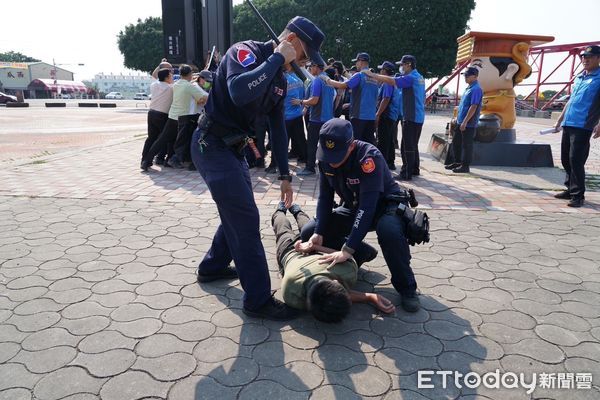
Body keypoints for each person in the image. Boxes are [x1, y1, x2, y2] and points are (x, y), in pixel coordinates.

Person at [191, 16, 326, 321]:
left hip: (233, 149)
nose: (304, 63)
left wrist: (285, 176)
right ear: (291, 41)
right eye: (304, 55)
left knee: (238, 210)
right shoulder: (245, 52)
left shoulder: (278, 79)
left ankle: (211, 268)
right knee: (245, 216)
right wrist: (278, 56)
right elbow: (239, 91)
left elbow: (278, 130)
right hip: (209, 144)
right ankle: (258, 300)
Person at [300, 119, 421, 312]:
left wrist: (347, 248)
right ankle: (361, 252)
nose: (332, 161)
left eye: (337, 155)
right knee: (308, 232)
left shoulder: (368, 158)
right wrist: (319, 232)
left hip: (383, 207)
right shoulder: (325, 160)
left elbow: (368, 208)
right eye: (328, 154)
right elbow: (324, 198)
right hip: (354, 207)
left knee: (389, 231)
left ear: (352, 144)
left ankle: (407, 287)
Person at [271, 203, 395, 322]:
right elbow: (343, 255)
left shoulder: (290, 292)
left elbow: (345, 292)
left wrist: (313, 247)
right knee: (304, 227)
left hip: (289, 252)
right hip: (307, 252)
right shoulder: (292, 295)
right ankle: (289, 210)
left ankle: (285, 210)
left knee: (283, 230)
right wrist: (369, 297)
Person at [363, 55, 425, 180]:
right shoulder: (420, 78)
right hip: (418, 116)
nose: (401, 67)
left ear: (408, 64)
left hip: (411, 116)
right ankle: (414, 169)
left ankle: (406, 173)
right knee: (413, 144)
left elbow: (392, 81)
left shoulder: (411, 78)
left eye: (402, 65)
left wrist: (372, 75)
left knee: (406, 146)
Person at [553, 45, 600, 208]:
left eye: (589, 57)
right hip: (568, 123)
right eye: (583, 57)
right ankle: (569, 189)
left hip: (583, 125)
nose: (585, 59)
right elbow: (570, 101)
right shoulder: (579, 77)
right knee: (566, 158)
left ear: (598, 59)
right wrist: (559, 120)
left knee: (576, 159)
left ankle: (578, 195)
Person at [141, 64, 208, 171]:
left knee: (162, 140)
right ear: (190, 74)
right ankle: (179, 161)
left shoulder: (176, 84)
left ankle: (146, 161)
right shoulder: (189, 86)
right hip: (183, 118)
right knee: (182, 142)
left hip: (171, 116)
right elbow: (203, 99)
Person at [323, 52, 379, 144]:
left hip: (358, 115)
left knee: (356, 143)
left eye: (356, 62)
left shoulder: (359, 75)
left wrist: (327, 80)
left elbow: (343, 85)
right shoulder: (374, 78)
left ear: (361, 62)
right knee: (369, 143)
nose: (356, 64)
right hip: (371, 115)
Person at [294, 62, 336, 176]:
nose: (310, 68)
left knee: (312, 144)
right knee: (326, 145)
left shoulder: (317, 80)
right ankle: (327, 168)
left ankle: (310, 167)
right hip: (328, 118)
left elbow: (314, 100)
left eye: (311, 66)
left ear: (317, 67)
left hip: (317, 119)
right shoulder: (328, 81)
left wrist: (301, 102)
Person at [445, 66, 483, 174]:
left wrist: (465, 121)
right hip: (460, 121)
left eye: (467, 75)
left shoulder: (476, 89)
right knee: (456, 142)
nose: (465, 77)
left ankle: (465, 166)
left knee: (467, 145)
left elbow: (473, 107)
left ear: (475, 76)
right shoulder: (469, 88)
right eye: (464, 75)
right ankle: (457, 162)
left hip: (468, 123)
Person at [141, 67, 174, 170]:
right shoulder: (170, 88)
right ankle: (159, 158)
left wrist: (160, 65)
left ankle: (144, 159)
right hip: (162, 115)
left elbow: (154, 75)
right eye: (171, 75)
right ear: (167, 77)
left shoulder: (154, 85)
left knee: (151, 138)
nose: (172, 76)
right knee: (164, 138)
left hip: (151, 114)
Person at [375, 61, 402, 170]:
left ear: (384, 71)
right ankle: (390, 162)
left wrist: (378, 114)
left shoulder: (387, 83)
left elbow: (386, 99)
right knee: (390, 140)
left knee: (383, 141)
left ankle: (382, 166)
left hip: (386, 115)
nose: (380, 71)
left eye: (381, 69)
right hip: (392, 116)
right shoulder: (392, 82)